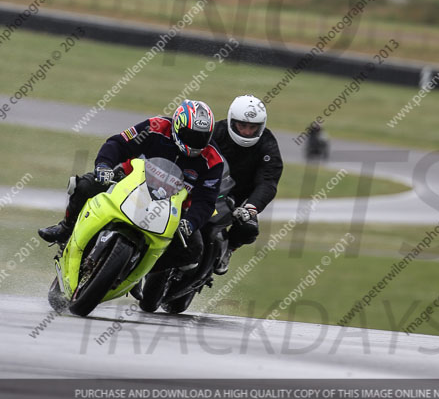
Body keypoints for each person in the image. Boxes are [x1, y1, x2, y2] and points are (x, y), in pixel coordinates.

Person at [38, 100, 224, 272]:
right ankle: (65, 229)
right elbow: (118, 143)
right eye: (190, 135)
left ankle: (140, 271)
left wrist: (189, 223)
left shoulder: (213, 160)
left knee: (192, 251)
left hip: (173, 209)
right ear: (177, 126)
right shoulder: (155, 127)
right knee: (85, 186)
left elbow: (206, 201)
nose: (195, 142)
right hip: (128, 182)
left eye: (201, 137)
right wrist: (104, 166)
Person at [211, 94, 283, 275]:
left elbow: (268, 181)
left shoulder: (268, 145)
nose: (246, 132)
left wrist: (252, 207)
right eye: (242, 125)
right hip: (208, 188)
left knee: (248, 229)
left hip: (241, 199)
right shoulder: (215, 132)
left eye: (252, 127)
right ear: (231, 120)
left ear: (261, 126)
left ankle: (229, 249)